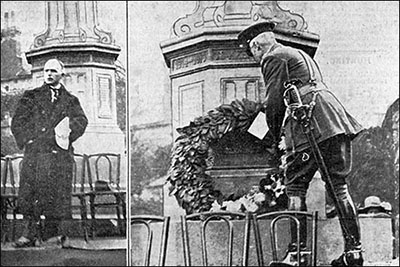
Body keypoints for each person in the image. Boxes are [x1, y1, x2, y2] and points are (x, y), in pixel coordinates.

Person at [238, 22, 364, 266]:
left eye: (252, 53)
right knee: (339, 187)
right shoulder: (299, 54)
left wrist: (273, 137)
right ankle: (354, 253)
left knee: (295, 187)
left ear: (256, 46)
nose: (255, 59)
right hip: (333, 122)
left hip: (309, 126)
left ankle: (297, 256)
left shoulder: (272, 57)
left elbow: (275, 103)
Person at [11, 58, 88, 247]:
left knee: (56, 194)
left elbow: (81, 121)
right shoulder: (32, 96)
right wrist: (29, 138)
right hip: (36, 154)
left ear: (62, 73)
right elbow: (17, 122)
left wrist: (66, 134)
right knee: (31, 194)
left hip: (59, 155)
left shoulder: (70, 99)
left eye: (53, 71)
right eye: (46, 71)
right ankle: (29, 235)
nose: (49, 74)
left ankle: (51, 235)